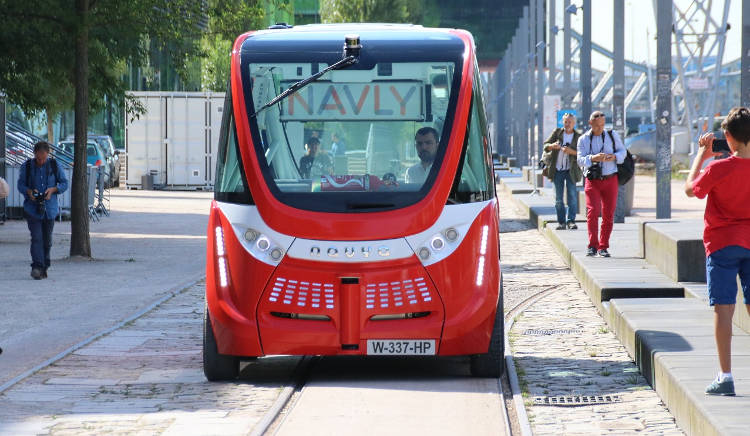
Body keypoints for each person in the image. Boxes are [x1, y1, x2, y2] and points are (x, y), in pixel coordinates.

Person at [685, 106, 750, 397]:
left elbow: (690, 190)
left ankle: (725, 377)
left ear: (727, 137)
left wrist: (703, 154)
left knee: (723, 309)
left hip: (721, 244)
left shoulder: (718, 167)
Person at [576, 111, 626, 257]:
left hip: (610, 179)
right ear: (590, 123)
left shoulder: (612, 135)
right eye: (597, 125)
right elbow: (580, 160)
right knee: (592, 212)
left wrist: (614, 157)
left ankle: (603, 246)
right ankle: (592, 245)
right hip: (592, 180)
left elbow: (623, 152)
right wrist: (593, 158)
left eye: (602, 125)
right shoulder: (583, 139)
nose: (600, 128)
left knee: (608, 214)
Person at [17, 141, 68, 280]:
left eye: (44, 158)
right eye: (39, 158)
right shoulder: (27, 166)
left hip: (50, 209)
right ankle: (37, 267)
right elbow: (20, 184)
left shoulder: (54, 165)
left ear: (48, 154)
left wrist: (53, 190)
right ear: (34, 154)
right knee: (36, 238)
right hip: (32, 209)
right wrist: (28, 192)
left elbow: (64, 183)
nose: (41, 161)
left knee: (47, 240)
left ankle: (44, 265)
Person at [543, 113, 582, 230]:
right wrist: (552, 146)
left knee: (572, 197)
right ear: (563, 122)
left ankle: (571, 221)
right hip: (557, 169)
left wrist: (571, 151)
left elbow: (583, 153)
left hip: (571, 170)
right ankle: (561, 222)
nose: (567, 124)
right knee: (558, 199)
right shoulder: (557, 133)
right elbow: (545, 145)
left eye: (570, 122)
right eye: (566, 122)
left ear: (574, 123)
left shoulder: (578, 136)